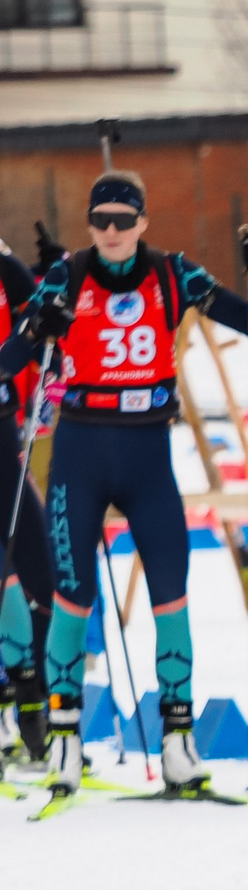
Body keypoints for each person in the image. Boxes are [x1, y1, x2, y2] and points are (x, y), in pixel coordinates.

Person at [0, 171, 248, 795]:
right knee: (74, 595)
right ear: (90, 225)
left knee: (171, 594)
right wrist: (39, 323)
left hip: (148, 452)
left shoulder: (174, 274)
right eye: (103, 221)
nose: (114, 232)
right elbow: (11, 359)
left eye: (126, 220)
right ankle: (65, 741)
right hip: (82, 451)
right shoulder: (67, 275)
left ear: (144, 223)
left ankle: (179, 740)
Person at [0, 227, 50, 762]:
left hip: (3, 440)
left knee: (39, 570)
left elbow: (43, 329)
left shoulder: (5, 267)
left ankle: (35, 702)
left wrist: (56, 278)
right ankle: (19, 690)